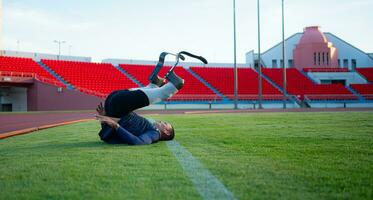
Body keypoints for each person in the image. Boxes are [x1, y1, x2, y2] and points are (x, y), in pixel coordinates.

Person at [95, 66, 184, 145]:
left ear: (166, 132)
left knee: (165, 90)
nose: (162, 121)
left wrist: (113, 124)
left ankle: (167, 84)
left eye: (165, 124)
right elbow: (117, 126)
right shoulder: (148, 127)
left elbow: (139, 141)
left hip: (118, 106)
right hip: (115, 104)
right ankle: (154, 85)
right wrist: (106, 117)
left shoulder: (155, 134)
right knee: (129, 95)